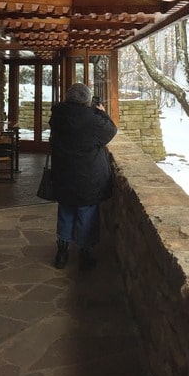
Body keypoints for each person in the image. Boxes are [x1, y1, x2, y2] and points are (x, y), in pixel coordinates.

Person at [49, 83, 117, 271]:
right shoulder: (92, 120)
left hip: (63, 173)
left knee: (66, 211)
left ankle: (62, 253)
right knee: (86, 213)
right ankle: (84, 253)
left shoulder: (58, 115)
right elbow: (111, 130)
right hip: (88, 176)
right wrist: (101, 112)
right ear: (87, 100)